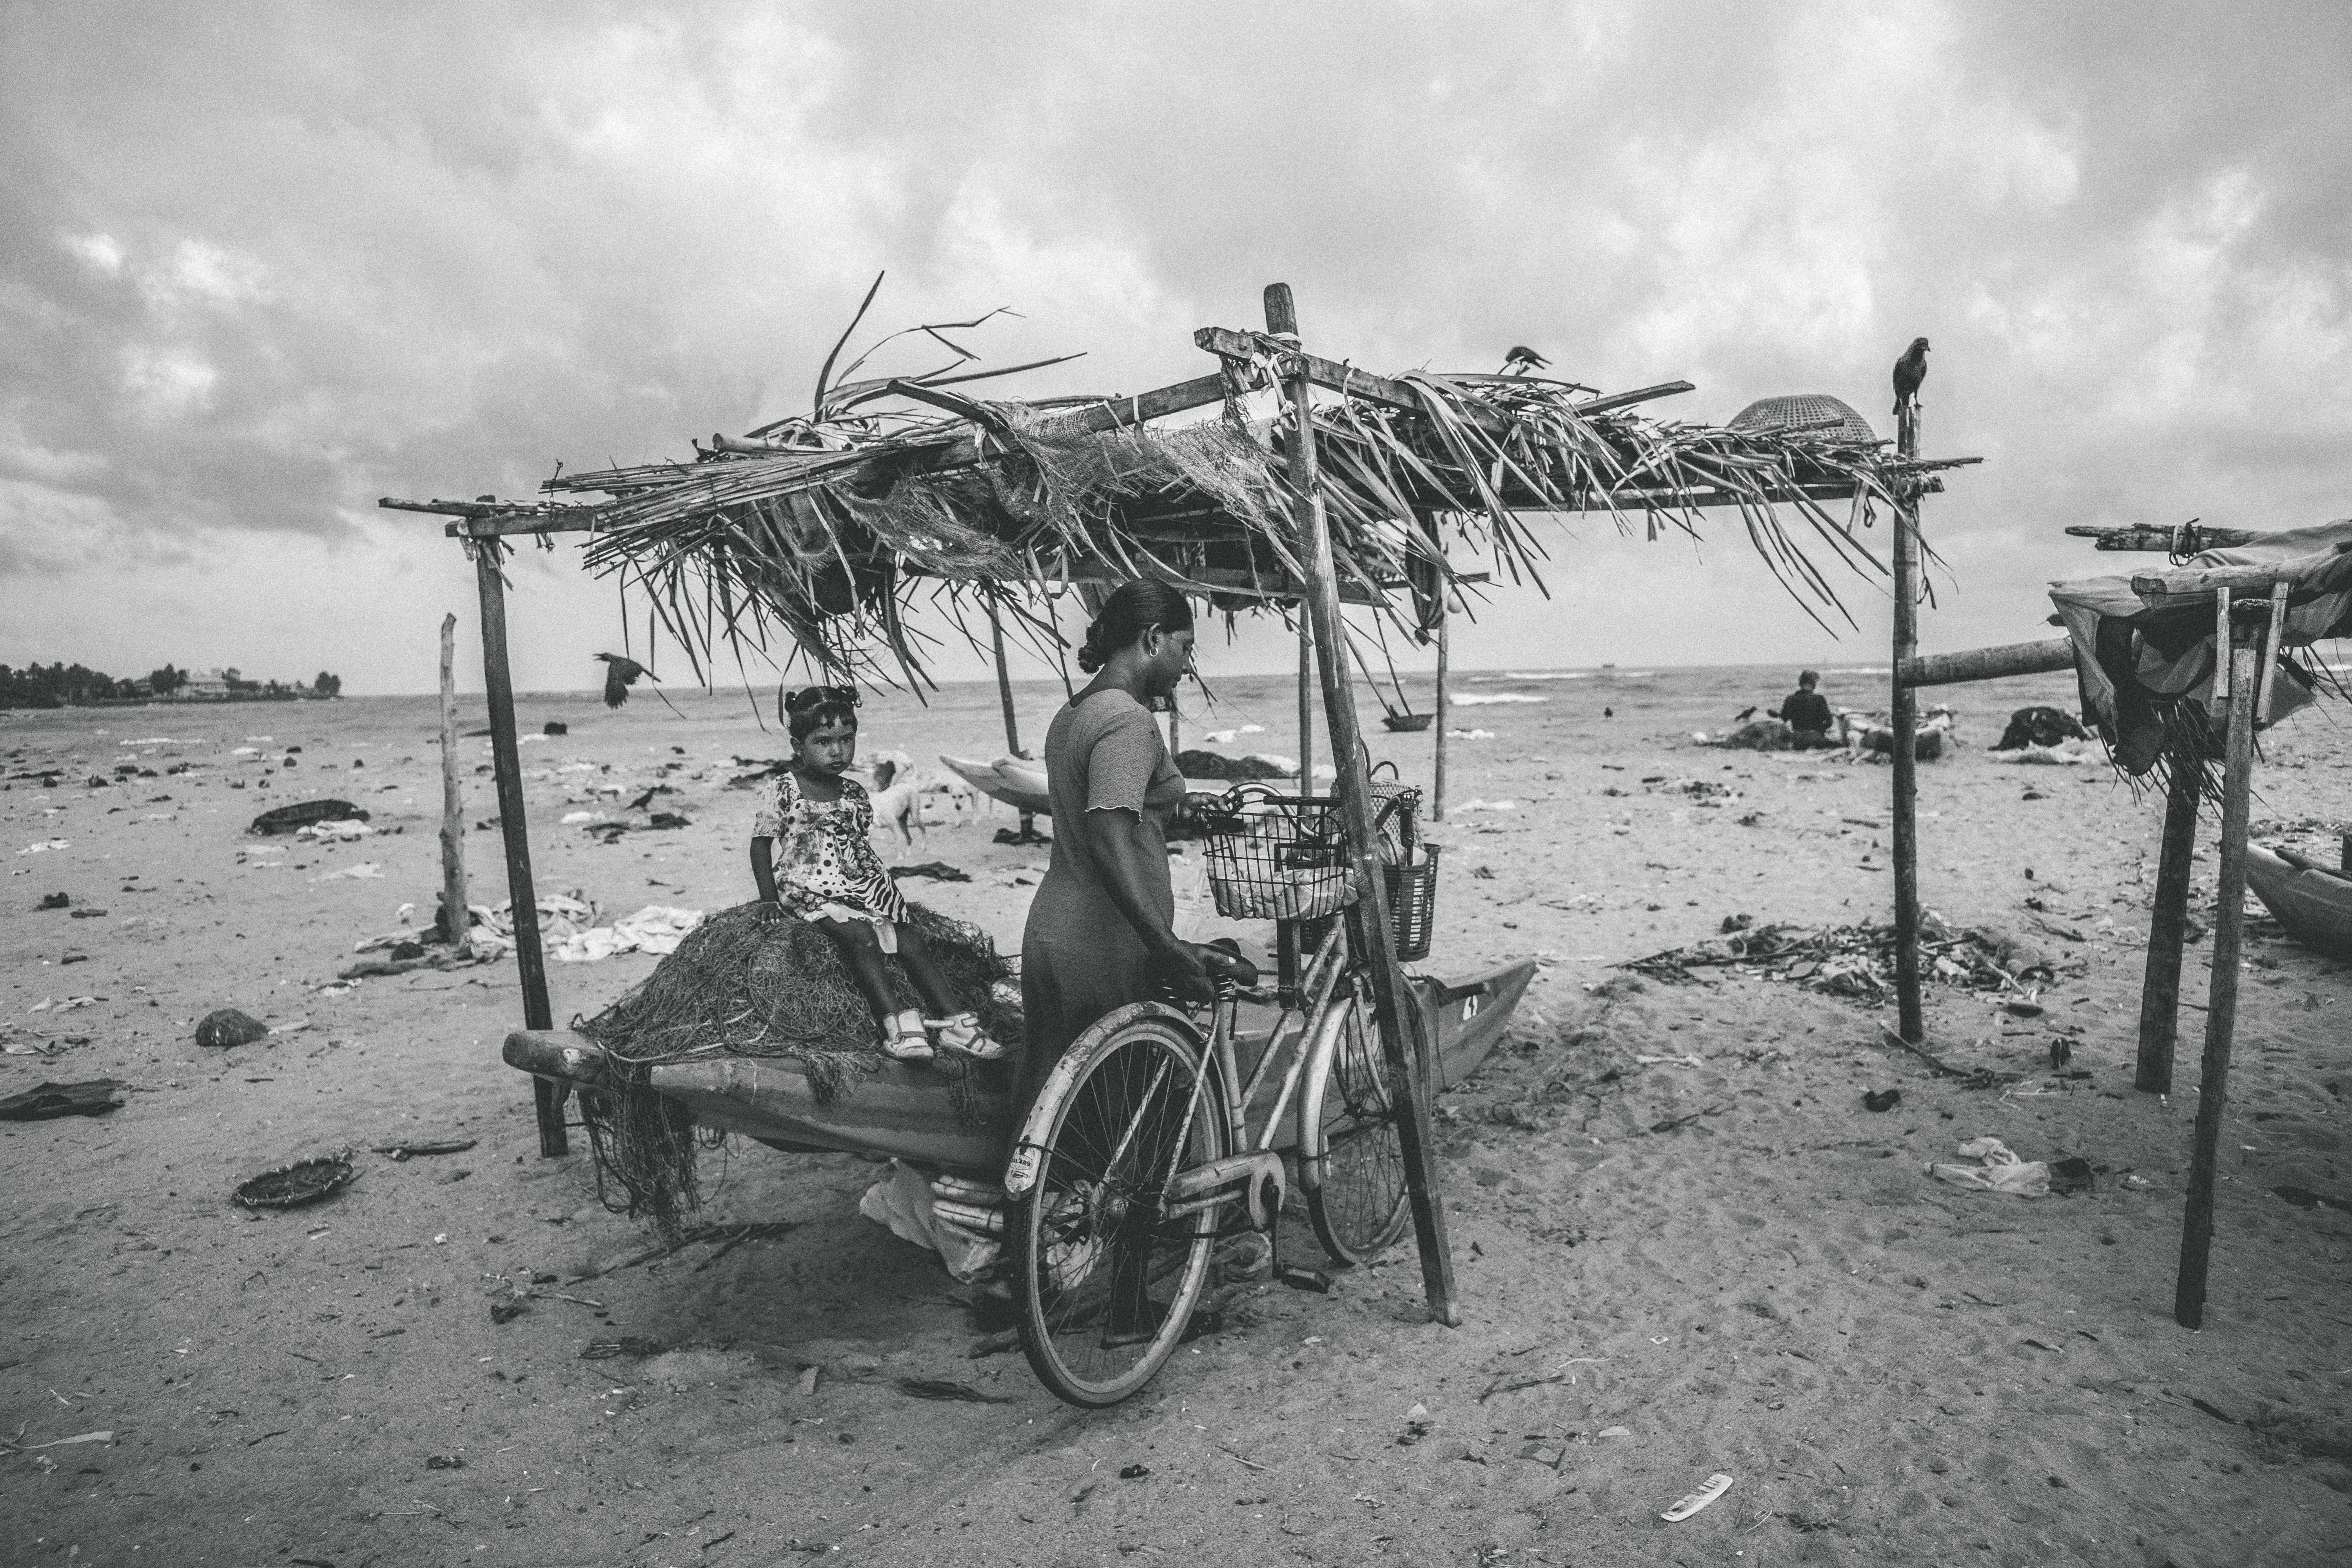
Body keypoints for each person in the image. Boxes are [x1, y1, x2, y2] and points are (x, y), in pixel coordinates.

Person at [1016, 580, 1235, 1114]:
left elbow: (1100, 809)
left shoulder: (1074, 712)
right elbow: (1109, 833)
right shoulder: (1128, 720)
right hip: (1103, 940)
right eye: (1185, 647)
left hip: (1053, 930)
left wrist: (1174, 809)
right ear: (1154, 638)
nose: (1187, 665)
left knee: (1051, 1112)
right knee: (1118, 1121)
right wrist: (1165, 945)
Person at [751, 685, 1002, 1063]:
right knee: (863, 938)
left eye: (846, 740)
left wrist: (876, 892)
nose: (837, 751)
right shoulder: (783, 789)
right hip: (809, 885)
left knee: (910, 939)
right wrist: (769, 898)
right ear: (797, 745)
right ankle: (897, 1023)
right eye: (823, 741)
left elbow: (857, 844)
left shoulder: (854, 791)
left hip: (861, 881)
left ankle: (955, 1024)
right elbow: (761, 845)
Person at [1775, 670, 1836, 750]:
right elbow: (1829, 722)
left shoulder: (1790, 699)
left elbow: (1784, 718)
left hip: (1797, 739)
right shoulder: (1819, 699)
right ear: (1814, 684)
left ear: (1800, 683)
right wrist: (1821, 730)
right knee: (1839, 746)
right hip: (1815, 738)